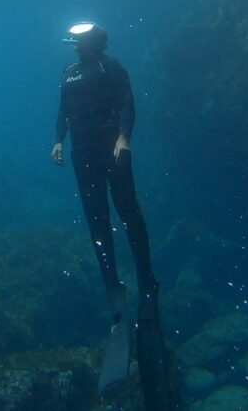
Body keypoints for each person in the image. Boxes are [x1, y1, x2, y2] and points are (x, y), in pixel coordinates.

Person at [51, 22, 173, 410]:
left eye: (81, 40)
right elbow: (63, 109)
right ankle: (114, 291)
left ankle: (146, 281)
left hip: (112, 150)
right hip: (82, 154)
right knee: (96, 222)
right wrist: (58, 140)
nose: (76, 45)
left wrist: (124, 136)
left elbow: (127, 102)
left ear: (95, 42)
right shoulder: (68, 72)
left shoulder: (111, 67)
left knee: (128, 212)